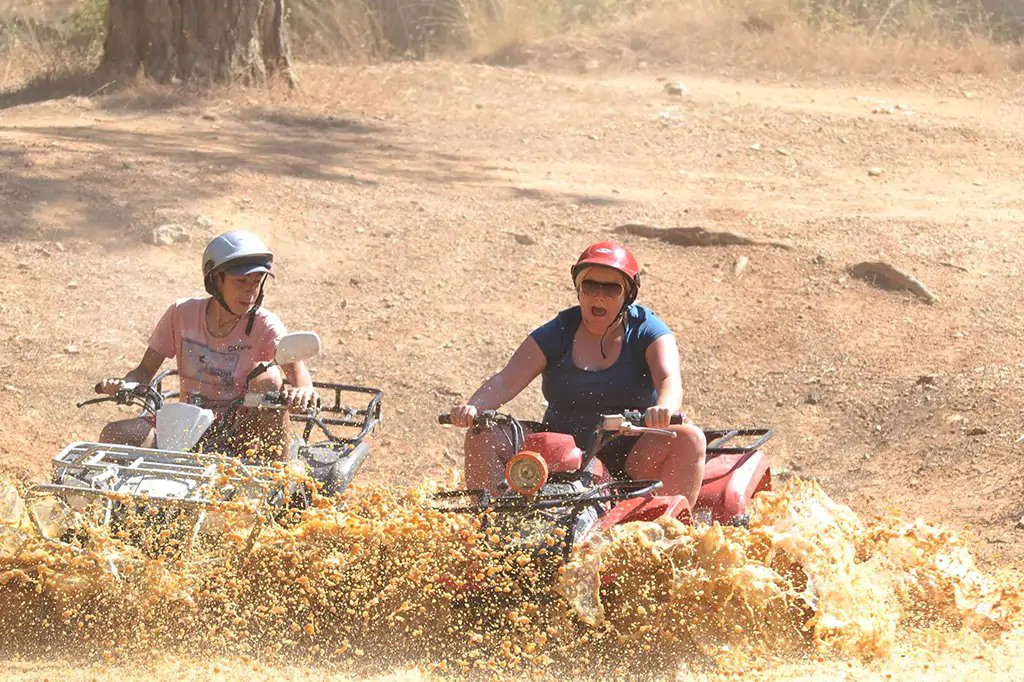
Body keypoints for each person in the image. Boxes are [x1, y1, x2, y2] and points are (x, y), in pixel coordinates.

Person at [448, 240, 707, 505]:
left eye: (611, 288)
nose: (599, 296)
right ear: (578, 290)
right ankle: (491, 525)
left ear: (628, 294)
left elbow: (668, 378)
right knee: (484, 432)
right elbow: (506, 380)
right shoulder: (557, 332)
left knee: (690, 438)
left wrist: (664, 408)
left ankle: (670, 532)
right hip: (560, 453)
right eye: (590, 286)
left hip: (632, 455)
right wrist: (473, 407)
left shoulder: (648, 330)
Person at [95, 230, 319, 460]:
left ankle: (277, 476)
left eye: (256, 282)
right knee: (115, 434)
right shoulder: (182, 314)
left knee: (269, 377)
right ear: (215, 279)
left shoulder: (265, 325)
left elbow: (300, 376)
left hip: (244, 432)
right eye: (241, 281)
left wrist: (303, 390)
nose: (250, 291)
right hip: (188, 425)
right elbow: (143, 372)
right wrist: (125, 384)